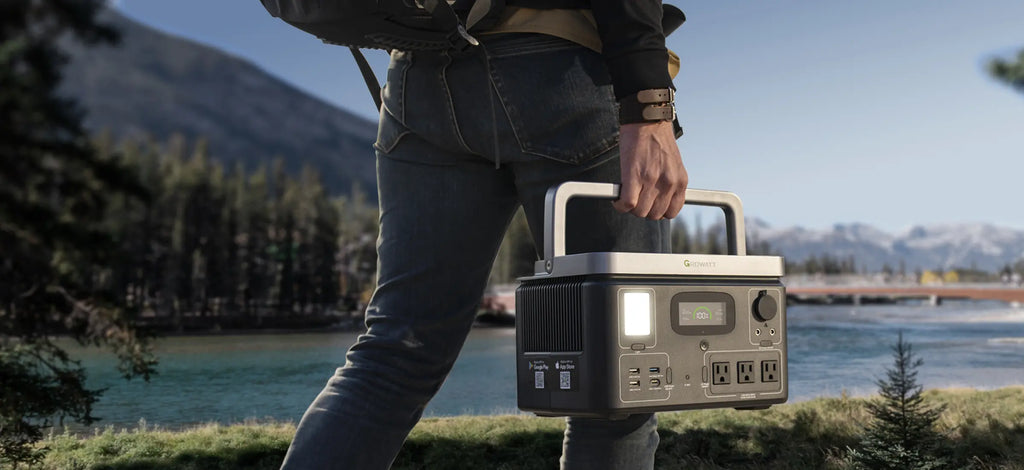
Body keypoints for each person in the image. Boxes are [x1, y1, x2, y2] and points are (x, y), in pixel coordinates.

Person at [279, 0, 688, 468]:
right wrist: (648, 105)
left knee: (394, 356)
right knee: (619, 373)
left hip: (420, 83)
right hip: (561, 66)